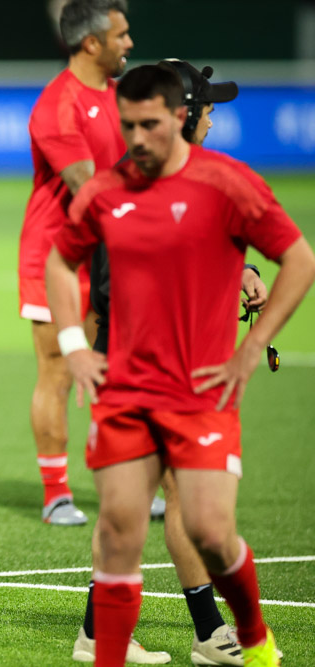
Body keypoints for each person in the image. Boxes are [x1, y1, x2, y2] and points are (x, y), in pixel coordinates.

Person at [47, 64, 315, 667]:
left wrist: (252, 348)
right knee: (119, 531)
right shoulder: (106, 190)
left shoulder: (228, 182)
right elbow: (62, 263)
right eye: (128, 126)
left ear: (178, 117)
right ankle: (111, 652)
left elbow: (299, 259)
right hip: (124, 387)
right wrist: (73, 344)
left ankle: (252, 636)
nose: (136, 139)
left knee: (214, 535)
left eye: (149, 125)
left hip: (201, 393)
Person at [19, 0, 132, 526]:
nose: (129, 43)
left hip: (114, 252)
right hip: (57, 257)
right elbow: (88, 189)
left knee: (119, 368)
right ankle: (57, 492)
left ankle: (124, 479)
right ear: (92, 43)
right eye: (121, 34)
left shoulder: (123, 97)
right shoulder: (56, 106)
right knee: (60, 371)